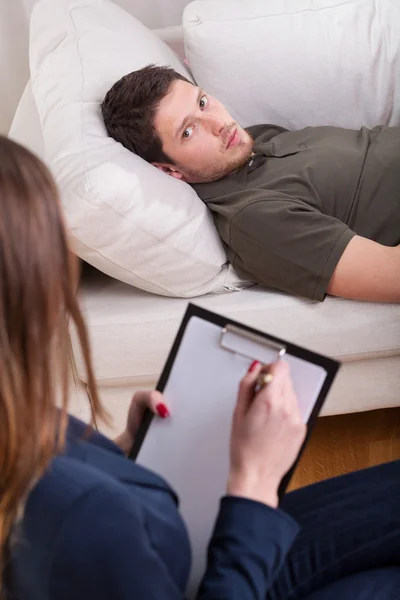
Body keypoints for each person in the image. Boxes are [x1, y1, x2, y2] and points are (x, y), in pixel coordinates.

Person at [1, 135, 400, 600]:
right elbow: (77, 521)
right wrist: (253, 484)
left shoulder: (23, 423)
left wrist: (123, 451)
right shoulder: (84, 513)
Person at [101, 65, 400, 304]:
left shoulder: (250, 142)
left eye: (203, 102)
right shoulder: (253, 218)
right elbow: (391, 275)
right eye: (189, 131)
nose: (218, 123)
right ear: (168, 170)